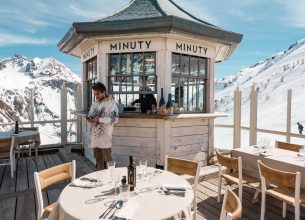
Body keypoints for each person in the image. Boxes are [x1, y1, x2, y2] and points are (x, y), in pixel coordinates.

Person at [87, 82, 118, 170]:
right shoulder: (95, 104)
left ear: (104, 92)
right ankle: (100, 179)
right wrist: (89, 118)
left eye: (98, 94)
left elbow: (114, 119)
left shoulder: (111, 104)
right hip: (95, 136)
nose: (96, 96)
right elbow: (90, 114)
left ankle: (110, 179)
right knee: (98, 159)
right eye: (95, 94)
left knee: (108, 161)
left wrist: (99, 120)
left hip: (105, 137)